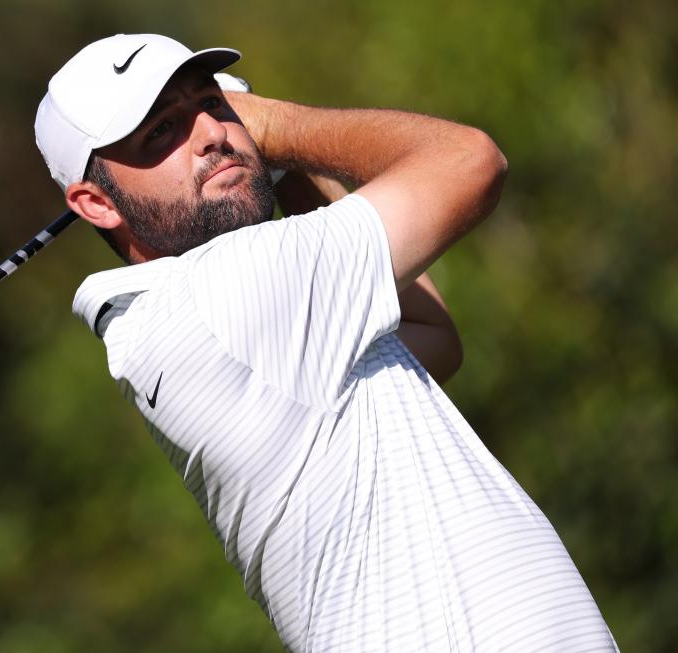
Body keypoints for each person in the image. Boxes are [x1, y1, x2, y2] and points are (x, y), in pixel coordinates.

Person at [35, 33, 618, 651]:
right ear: (95, 203)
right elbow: (470, 160)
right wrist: (272, 127)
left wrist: (269, 167)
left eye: (213, 106)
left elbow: (431, 336)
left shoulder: (205, 315)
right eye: (162, 131)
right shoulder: (222, 287)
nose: (211, 133)